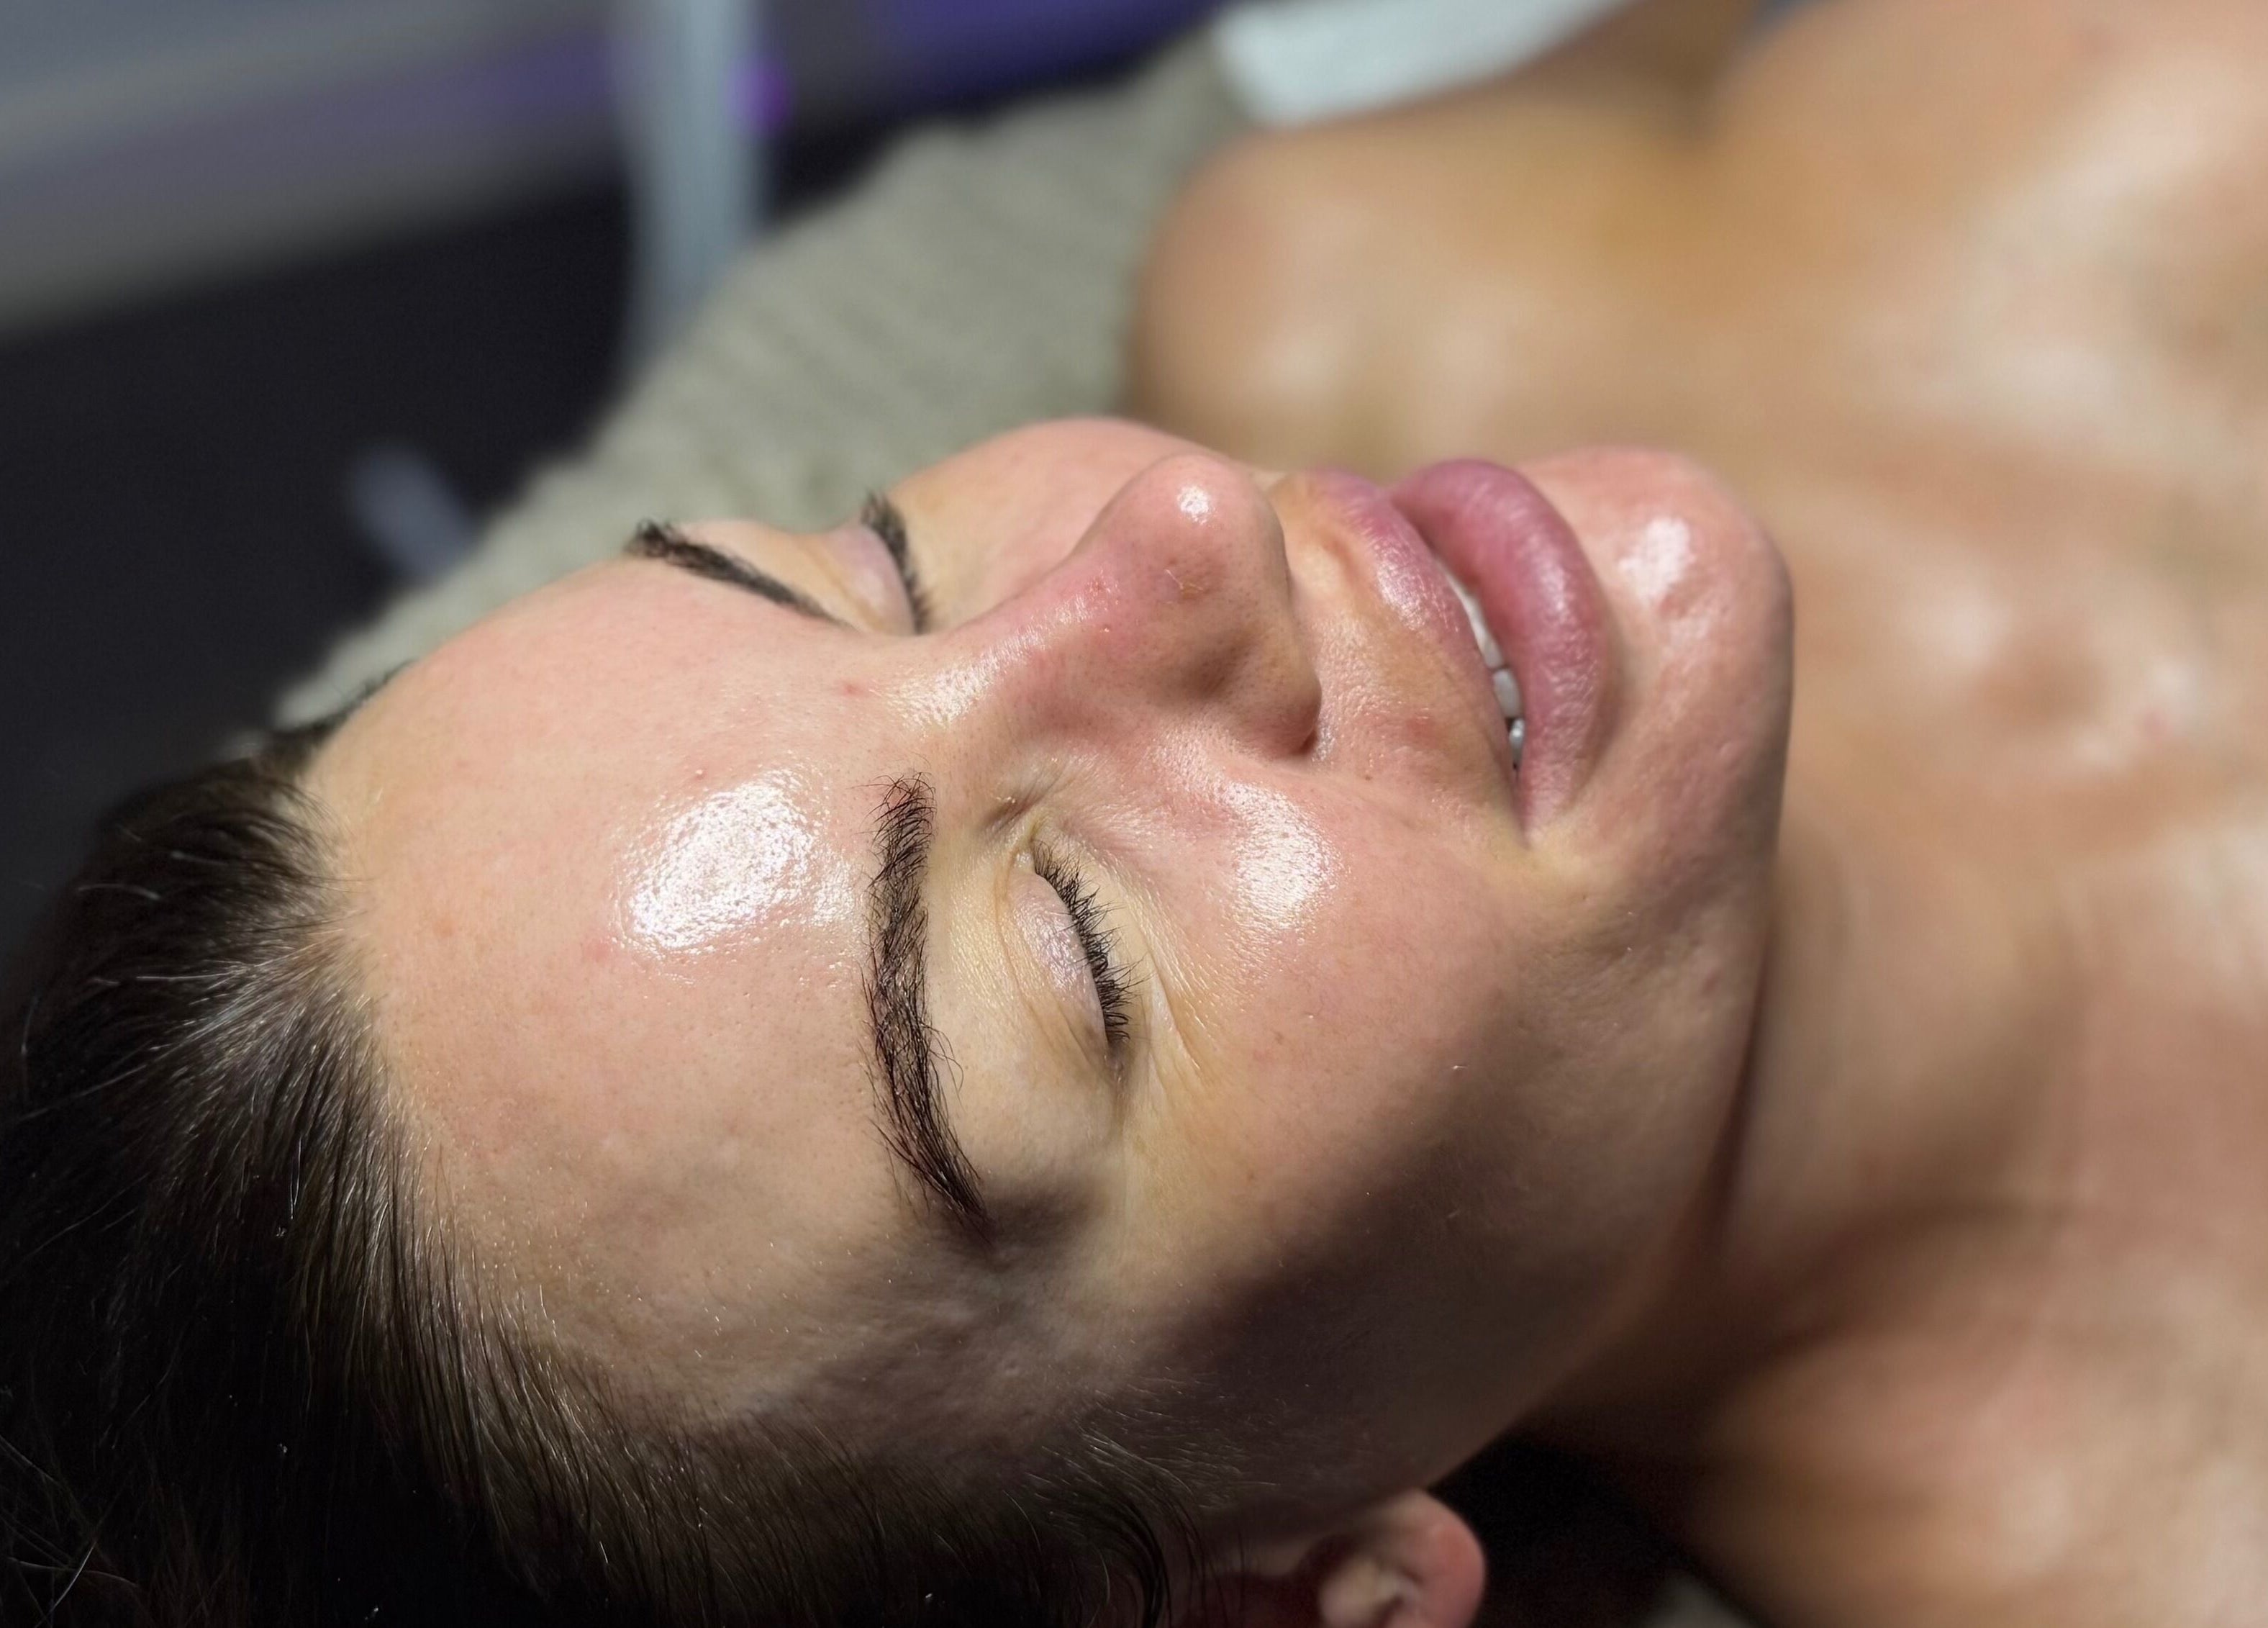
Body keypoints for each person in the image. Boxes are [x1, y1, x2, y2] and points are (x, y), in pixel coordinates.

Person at [2, 4, 2262, 1627]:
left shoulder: (1347, 268)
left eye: (864, 569)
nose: (1178, 536)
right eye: (1073, 945)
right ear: (1290, 1595)